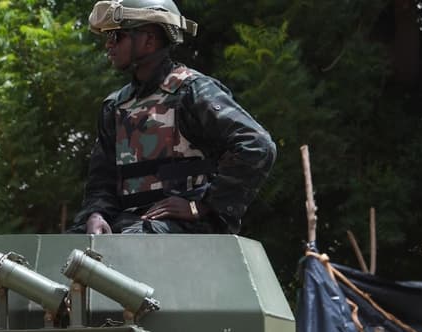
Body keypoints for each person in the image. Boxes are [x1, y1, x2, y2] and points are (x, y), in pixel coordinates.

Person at [71, 0, 276, 235]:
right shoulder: (115, 107)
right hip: (130, 223)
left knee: (131, 243)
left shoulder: (192, 92)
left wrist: (203, 204)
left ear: (149, 40)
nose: (108, 45)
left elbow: (257, 145)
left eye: (117, 36)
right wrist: (96, 215)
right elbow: (102, 181)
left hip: (188, 229)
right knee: (66, 250)